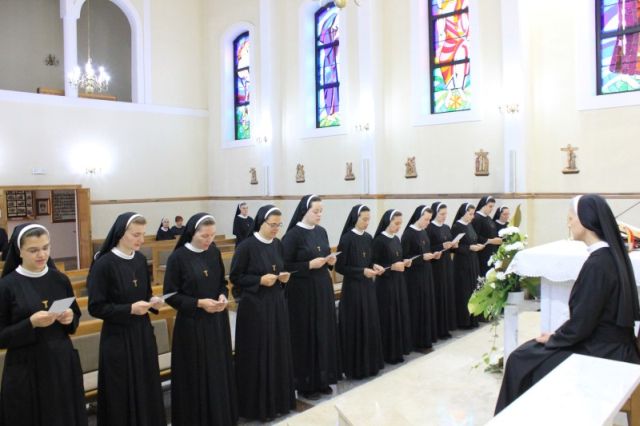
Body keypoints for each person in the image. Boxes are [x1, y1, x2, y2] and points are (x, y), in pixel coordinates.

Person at [495, 194, 640, 414]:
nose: (569, 224)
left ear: (586, 220)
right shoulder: (609, 255)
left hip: (604, 352)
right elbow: (587, 318)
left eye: (571, 218)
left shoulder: (599, 264)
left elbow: (582, 323)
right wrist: (557, 336)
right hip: (611, 344)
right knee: (527, 355)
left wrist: (555, 338)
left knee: (520, 360)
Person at [0, 224, 86, 426]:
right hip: (26, 368)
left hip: (61, 365)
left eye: (46, 248)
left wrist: (69, 318)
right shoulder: (6, 286)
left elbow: (75, 318)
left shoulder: (60, 279)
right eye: (33, 250)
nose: (42, 255)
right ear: (19, 251)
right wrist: (30, 323)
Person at [88, 212, 166, 426]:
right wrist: (129, 309)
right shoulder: (104, 264)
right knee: (121, 391)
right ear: (121, 233)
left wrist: (152, 301)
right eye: (136, 235)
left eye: (143, 234)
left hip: (142, 334)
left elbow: (145, 293)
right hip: (118, 339)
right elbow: (96, 307)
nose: (141, 240)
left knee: (146, 385)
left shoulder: (139, 260)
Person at [164, 213, 237, 425]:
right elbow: (171, 295)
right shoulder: (178, 258)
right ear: (192, 233)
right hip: (192, 326)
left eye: (212, 235)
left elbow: (222, 283)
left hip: (217, 323)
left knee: (217, 371)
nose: (209, 240)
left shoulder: (213, 252)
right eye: (204, 236)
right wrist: (198, 303)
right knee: (196, 375)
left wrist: (222, 295)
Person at [230, 205, 296, 421]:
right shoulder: (246, 246)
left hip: (276, 304)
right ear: (261, 223)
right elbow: (236, 277)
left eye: (279, 225)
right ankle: (257, 407)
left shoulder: (277, 244)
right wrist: (259, 280)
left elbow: (280, 268)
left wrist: (283, 278)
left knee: (277, 350)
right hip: (254, 308)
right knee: (258, 353)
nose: (276, 228)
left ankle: (278, 402)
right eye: (272, 224)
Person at [282, 194, 340, 400]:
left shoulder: (321, 231)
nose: (319, 214)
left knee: (323, 332)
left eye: (321, 211)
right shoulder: (292, 236)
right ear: (304, 211)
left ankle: (323, 379)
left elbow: (325, 254)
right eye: (316, 211)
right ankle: (306, 384)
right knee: (306, 335)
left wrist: (330, 261)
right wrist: (308, 265)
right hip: (302, 293)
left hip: (322, 289)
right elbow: (284, 266)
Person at [336, 205, 385, 379]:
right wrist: (361, 271)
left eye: (368, 219)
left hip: (368, 287)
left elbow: (369, 260)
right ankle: (355, 368)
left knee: (369, 323)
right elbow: (340, 267)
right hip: (353, 290)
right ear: (355, 218)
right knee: (356, 325)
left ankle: (370, 364)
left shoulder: (368, 237)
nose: (367, 222)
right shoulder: (347, 239)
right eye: (364, 219)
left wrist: (375, 266)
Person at [372, 209, 413, 364]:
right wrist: (391, 267)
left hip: (399, 282)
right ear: (388, 222)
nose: (398, 227)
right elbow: (374, 264)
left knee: (399, 314)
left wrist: (405, 262)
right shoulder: (378, 241)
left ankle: (399, 350)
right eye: (396, 223)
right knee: (389, 317)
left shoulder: (396, 238)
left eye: (400, 224)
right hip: (385, 285)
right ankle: (389, 353)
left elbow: (398, 258)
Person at [401, 205, 441, 351]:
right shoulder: (408, 234)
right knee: (417, 307)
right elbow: (404, 257)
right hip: (414, 277)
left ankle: (426, 338)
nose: (428, 222)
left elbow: (426, 251)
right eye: (426, 219)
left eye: (429, 219)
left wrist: (434, 254)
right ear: (418, 217)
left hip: (426, 274)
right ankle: (416, 341)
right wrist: (421, 258)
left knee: (426, 305)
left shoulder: (424, 232)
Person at [426, 202, 459, 337]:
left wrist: (453, 246)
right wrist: (441, 245)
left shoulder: (446, 227)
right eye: (442, 214)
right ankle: (439, 329)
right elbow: (428, 249)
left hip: (447, 264)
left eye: (446, 214)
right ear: (435, 213)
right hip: (436, 267)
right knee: (439, 295)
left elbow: (449, 247)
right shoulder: (429, 228)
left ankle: (447, 327)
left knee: (448, 294)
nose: (444, 216)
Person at [451, 203, 485, 329]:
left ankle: (473, 319)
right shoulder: (457, 226)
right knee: (464, 291)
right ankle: (464, 321)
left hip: (473, 261)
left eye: (473, 214)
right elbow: (454, 247)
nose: (472, 217)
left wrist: (478, 245)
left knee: (473, 289)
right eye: (470, 214)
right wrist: (469, 247)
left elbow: (473, 239)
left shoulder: (469, 225)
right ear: (463, 213)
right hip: (462, 263)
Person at [473, 196, 502, 277]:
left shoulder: (488, 218)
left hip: (491, 252)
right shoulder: (476, 218)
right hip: (482, 253)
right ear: (483, 205)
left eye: (493, 207)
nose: (492, 209)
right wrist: (490, 241)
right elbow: (475, 236)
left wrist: (497, 239)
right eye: (490, 206)